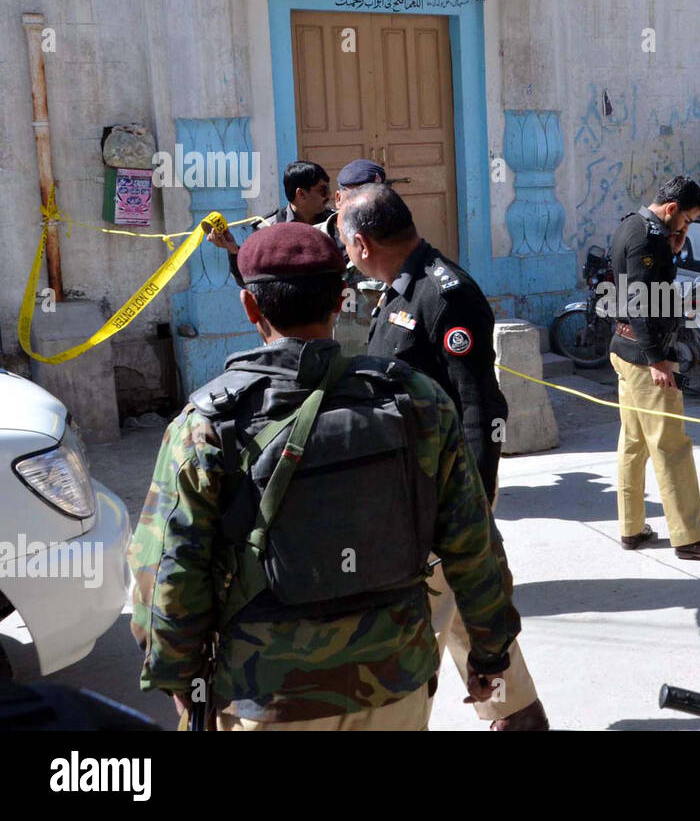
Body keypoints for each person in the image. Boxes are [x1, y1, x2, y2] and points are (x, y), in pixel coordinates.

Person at [128, 221, 520, 730]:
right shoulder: (419, 402)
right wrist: (489, 654)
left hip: (267, 696)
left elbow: (166, 572)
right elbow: (474, 545)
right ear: (341, 301)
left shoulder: (206, 425)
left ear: (250, 307)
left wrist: (180, 678)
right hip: (394, 682)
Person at [338, 181, 548, 731]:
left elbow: (480, 407)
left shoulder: (443, 293)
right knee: (462, 607)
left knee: (420, 620)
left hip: (444, 490)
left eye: (344, 243)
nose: (344, 255)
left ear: (363, 244)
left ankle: (486, 713)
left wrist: (472, 502)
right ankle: (515, 712)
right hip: (414, 485)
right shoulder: (398, 286)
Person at [608, 176, 700, 561]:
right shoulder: (648, 238)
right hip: (644, 356)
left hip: (624, 348)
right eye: (687, 220)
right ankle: (690, 537)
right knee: (671, 446)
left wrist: (673, 248)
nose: (686, 228)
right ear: (671, 209)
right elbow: (640, 301)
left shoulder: (633, 223)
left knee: (634, 444)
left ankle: (632, 527)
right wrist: (658, 360)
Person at [206, 160, 333, 284]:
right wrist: (234, 251)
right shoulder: (268, 228)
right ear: (301, 194)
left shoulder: (335, 223)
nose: (329, 195)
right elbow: (251, 281)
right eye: (323, 190)